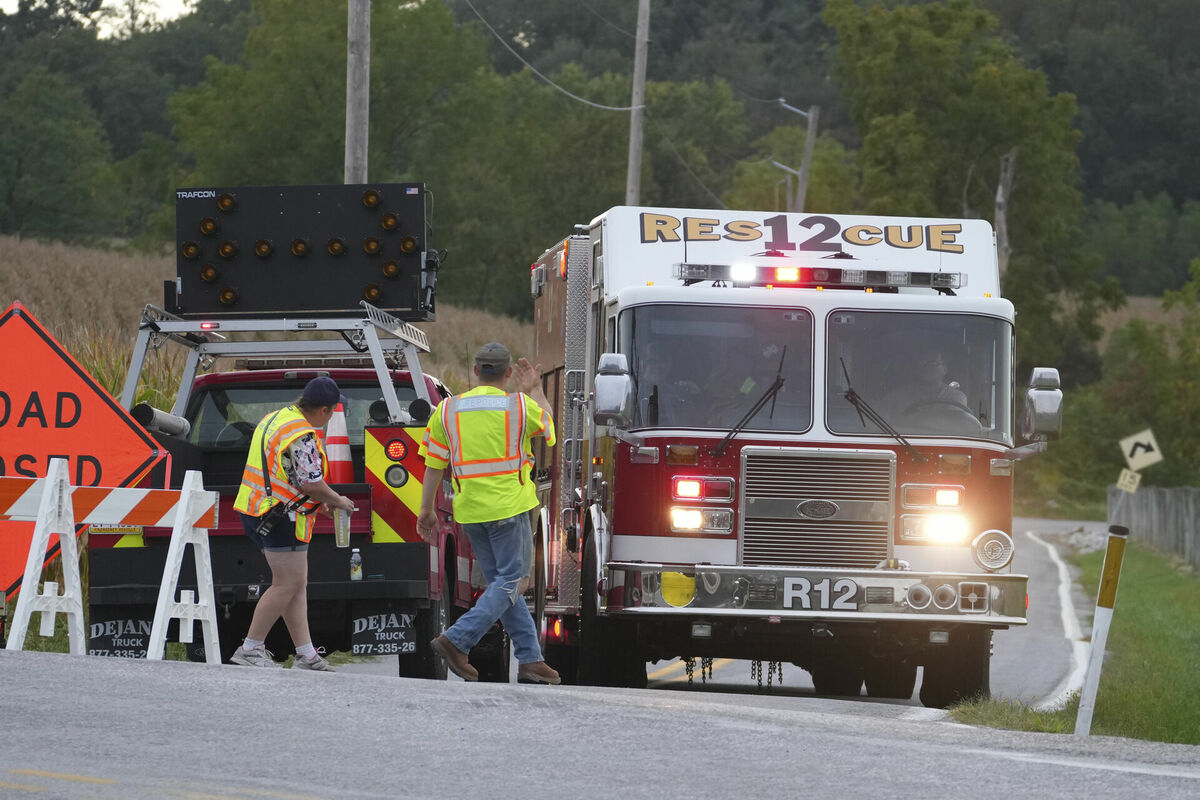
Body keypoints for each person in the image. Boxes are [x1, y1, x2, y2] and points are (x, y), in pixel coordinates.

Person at [417, 342, 560, 684]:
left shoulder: (448, 410)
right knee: (515, 581)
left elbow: (433, 464)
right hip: (510, 509)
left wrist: (426, 511)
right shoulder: (519, 406)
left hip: (471, 513)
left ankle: (530, 659)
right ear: (508, 373)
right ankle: (457, 640)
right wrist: (536, 389)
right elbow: (550, 430)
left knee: (502, 585)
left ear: (477, 372)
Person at [229, 376, 356, 671]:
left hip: (260, 509)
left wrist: (315, 502)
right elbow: (311, 481)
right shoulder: (302, 433)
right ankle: (250, 648)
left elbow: (286, 473)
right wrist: (338, 500)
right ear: (324, 410)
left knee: (296, 585)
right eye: (335, 409)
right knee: (287, 584)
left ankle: (306, 654)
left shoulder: (277, 418)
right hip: (278, 516)